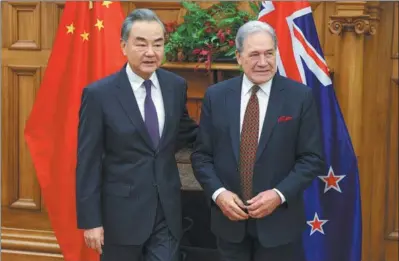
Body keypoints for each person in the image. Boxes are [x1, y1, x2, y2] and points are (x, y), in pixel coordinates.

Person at [190, 20, 325, 261]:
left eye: (269, 53)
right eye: (254, 54)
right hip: (229, 224)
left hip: (279, 226)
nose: (263, 62)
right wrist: (219, 194)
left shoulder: (299, 97)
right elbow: (202, 156)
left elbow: (311, 158)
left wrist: (278, 194)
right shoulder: (216, 96)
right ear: (239, 57)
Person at [76, 8, 198, 261]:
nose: (150, 52)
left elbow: (187, 132)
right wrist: (91, 221)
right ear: (123, 46)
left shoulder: (175, 86)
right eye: (141, 44)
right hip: (120, 218)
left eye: (158, 44)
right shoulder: (99, 95)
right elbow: (88, 161)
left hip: (167, 213)